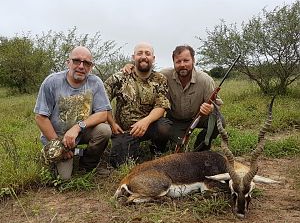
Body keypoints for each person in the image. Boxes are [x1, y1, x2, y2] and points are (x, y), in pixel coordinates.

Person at [124, 45, 223, 152]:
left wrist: (210, 108)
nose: (182, 65)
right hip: (175, 120)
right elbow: (145, 73)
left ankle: (201, 148)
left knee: (219, 121)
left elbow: (216, 104)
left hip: (198, 118)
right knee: (171, 140)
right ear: (173, 62)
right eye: (178, 62)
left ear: (193, 60)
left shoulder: (205, 80)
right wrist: (132, 66)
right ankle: (158, 149)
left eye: (186, 61)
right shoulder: (164, 75)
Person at [34, 46, 112, 180]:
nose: (81, 66)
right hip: (57, 136)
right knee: (64, 178)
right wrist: (59, 145)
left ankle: (87, 165)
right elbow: (40, 117)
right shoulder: (52, 82)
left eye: (86, 63)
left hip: (81, 132)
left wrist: (77, 127)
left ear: (91, 66)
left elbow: (103, 113)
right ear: (68, 62)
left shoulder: (95, 82)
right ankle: (56, 154)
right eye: (76, 61)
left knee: (104, 130)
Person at [104, 42, 172, 167]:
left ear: (153, 58)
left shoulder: (160, 79)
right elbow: (102, 101)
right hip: (124, 130)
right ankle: (125, 146)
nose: (144, 56)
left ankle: (157, 148)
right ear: (133, 57)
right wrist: (112, 123)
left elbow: (161, 106)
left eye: (148, 53)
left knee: (164, 127)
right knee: (121, 164)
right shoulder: (119, 77)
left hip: (149, 126)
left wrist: (145, 122)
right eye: (139, 53)